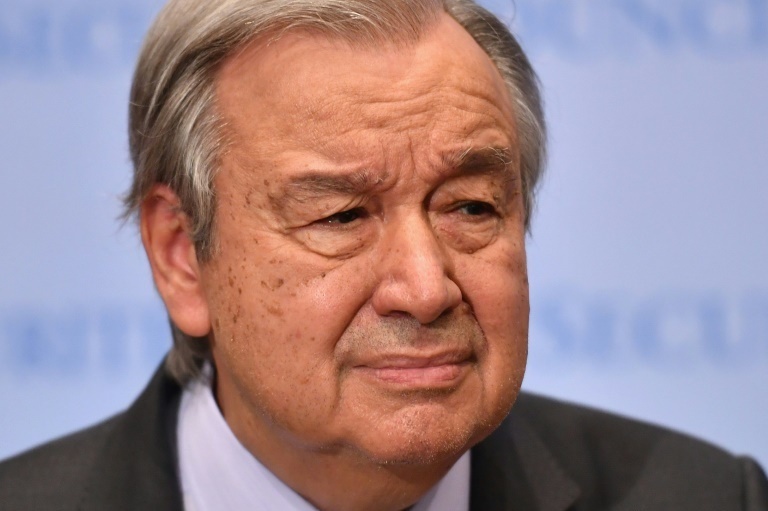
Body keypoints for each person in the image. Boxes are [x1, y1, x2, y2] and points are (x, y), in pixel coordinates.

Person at [0, 0, 766, 509]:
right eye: (341, 215)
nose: (426, 287)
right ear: (181, 255)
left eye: (470, 207)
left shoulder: (707, 498)